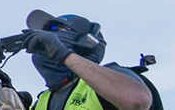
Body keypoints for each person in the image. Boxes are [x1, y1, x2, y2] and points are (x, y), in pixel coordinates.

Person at [22, 10, 162, 110]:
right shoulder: (42, 102)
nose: (43, 36)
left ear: (87, 43)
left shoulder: (110, 81)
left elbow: (137, 101)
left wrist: (64, 55)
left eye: (54, 29)